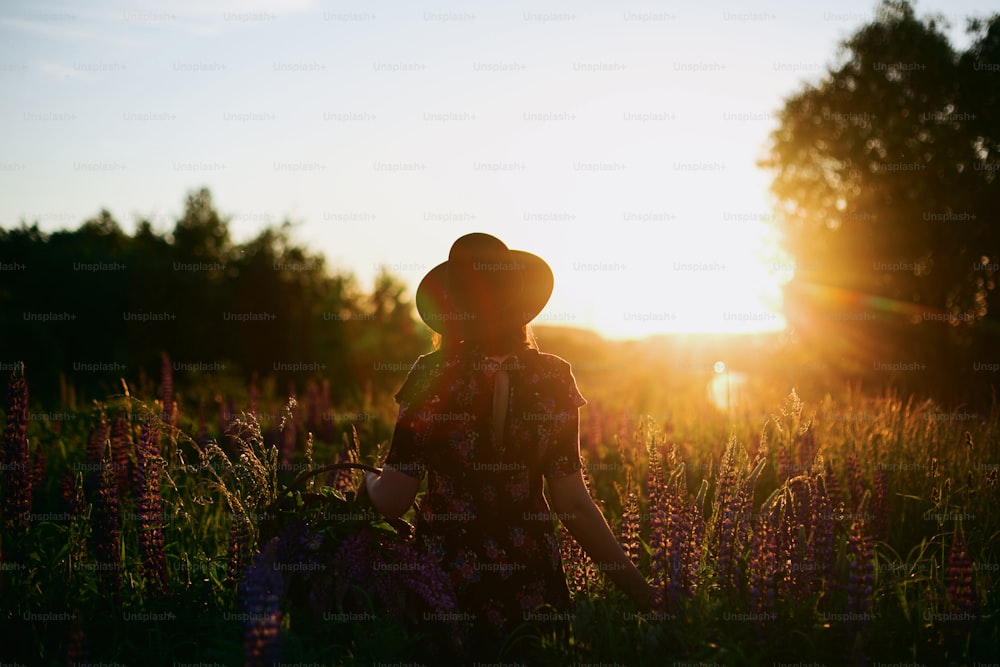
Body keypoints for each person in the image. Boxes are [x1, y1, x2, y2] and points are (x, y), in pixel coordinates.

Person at [364, 233, 654, 659]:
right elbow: (573, 505)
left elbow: (392, 501)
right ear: (519, 301)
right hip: (533, 584)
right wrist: (645, 596)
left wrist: (366, 482)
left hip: (446, 586)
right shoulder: (553, 378)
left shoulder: (431, 377)